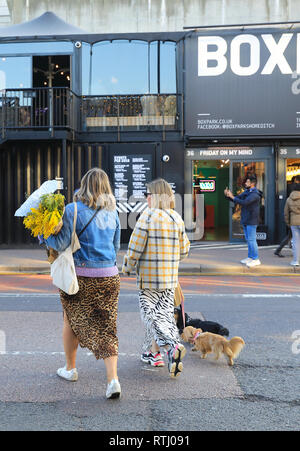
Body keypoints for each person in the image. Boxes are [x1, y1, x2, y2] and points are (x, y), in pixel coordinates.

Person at [45, 168, 121, 399]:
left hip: (81, 277)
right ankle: (113, 380)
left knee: (71, 319)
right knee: (107, 327)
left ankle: (70, 369)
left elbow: (60, 244)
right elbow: (116, 247)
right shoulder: (113, 212)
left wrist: (44, 233)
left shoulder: (72, 209)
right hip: (110, 276)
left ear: (84, 185)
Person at [122, 178, 190, 378]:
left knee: (151, 317)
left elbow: (134, 249)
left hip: (149, 279)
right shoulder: (176, 217)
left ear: (155, 196)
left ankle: (172, 347)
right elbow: (185, 250)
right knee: (163, 316)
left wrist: (127, 267)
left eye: (147, 194)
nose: (146, 198)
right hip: (169, 279)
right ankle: (154, 354)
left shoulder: (147, 217)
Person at [224, 175, 263, 267]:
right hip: (246, 218)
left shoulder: (255, 194)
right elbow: (237, 198)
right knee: (249, 240)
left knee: (252, 240)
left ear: (252, 183)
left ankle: (256, 259)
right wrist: (228, 195)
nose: (245, 183)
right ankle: (250, 257)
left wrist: (232, 197)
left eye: (247, 182)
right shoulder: (247, 192)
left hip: (252, 220)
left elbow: (244, 202)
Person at [274, 175, 300, 257]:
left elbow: (286, 212)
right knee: (291, 237)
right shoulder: (292, 188)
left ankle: (279, 250)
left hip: (293, 219)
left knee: (290, 236)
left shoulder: (289, 196)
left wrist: (288, 222)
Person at [284, 182, 300, 266]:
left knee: (296, 242)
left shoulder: (289, 199)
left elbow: (286, 213)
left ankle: (296, 261)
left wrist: (288, 223)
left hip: (294, 222)